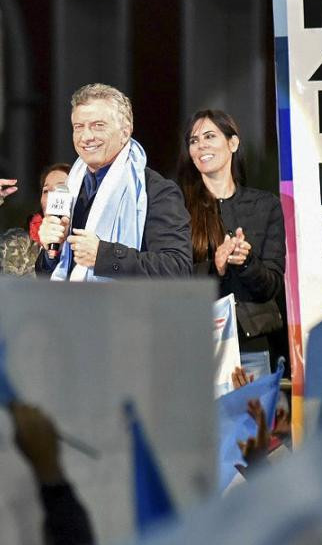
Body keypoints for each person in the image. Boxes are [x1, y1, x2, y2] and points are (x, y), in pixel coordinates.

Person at [36, 83, 191, 279]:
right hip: (69, 307)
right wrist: (51, 252)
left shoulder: (155, 191)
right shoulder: (70, 191)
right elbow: (47, 276)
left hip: (127, 309)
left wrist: (104, 256)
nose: (86, 137)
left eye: (98, 126)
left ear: (125, 132)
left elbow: (177, 268)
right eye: (78, 127)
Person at [176, 109, 286, 377]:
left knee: (253, 419)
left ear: (233, 143)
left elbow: (271, 286)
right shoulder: (176, 206)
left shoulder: (265, 205)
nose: (201, 145)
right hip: (195, 346)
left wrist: (246, 262)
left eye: (210, 136)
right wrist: (216, 268)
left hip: (251, 349)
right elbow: (168, 278)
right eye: (194, 140)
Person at [0, 164, 70, 276]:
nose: (53, 197)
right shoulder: (18, 245)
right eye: (46, 191)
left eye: (62, 189)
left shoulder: (84, 245)